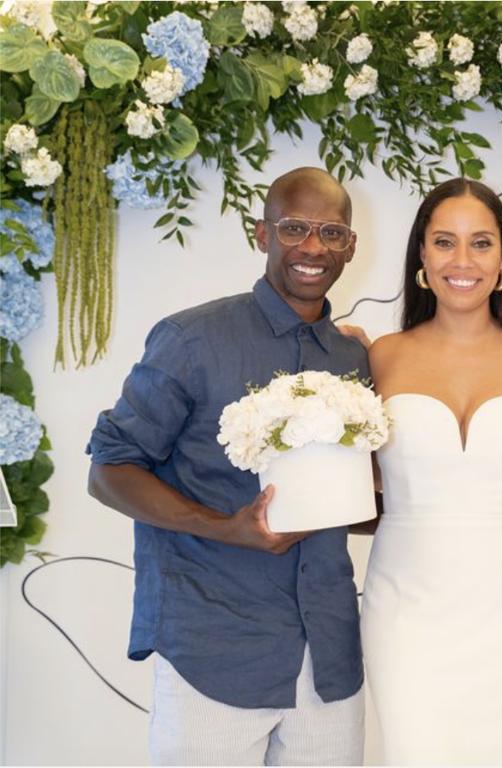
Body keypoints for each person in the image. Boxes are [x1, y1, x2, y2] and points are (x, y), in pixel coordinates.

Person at [87, 167, 368, 766]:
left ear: (350, 246)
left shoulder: (353, 358)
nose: (313, 247)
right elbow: (109, 467)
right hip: (215, 647)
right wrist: (223, 527)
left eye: (331, 232)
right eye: (294, 228)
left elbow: (353, 500)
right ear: (262, 234)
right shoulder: (193, 339)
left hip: (328, 656)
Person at [360, 178, 502, 765]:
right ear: (421, 253)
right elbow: (349, 482)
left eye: (481, 243)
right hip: (404, 600)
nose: (462, 261)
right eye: (444, 242)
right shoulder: (377, 355)